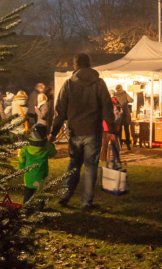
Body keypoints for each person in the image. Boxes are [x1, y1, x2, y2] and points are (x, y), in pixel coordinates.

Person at [49, 53, 115, 210]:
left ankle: (65, 194)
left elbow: (60, 110)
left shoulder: (68, 84)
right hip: (93, 130)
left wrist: (53, 132)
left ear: (74, 66)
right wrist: (111, 129)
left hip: (75, 131)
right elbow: (107, 107)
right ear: (90, 65)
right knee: (90, 166)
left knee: (74, 163)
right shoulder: (99, 83)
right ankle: (86, 202)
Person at [18, 122, 55, 203]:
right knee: (41, 195)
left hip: (29, 177)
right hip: (42, 177)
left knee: (28, 195)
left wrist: (21, 169)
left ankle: (26, 210)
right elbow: (53, 153)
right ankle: (39, 210)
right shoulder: (47, 146)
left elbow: (21, 160)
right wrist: (51, 143)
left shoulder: (26, 147)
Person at [113, 84, 134, 151]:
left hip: (119, 114)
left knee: (119, 131)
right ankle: (128, 145)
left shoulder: (115, 95)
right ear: (121, 88)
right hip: (125, 114)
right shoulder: (124, 93)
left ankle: (120, 145)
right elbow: (131, 100)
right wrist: (125, 101)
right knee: (127, 130)